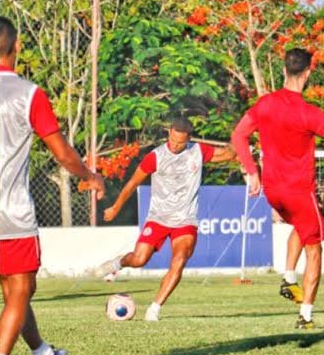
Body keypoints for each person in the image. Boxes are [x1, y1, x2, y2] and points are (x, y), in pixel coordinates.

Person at [0, 16, 105, 355]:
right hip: (11, 214)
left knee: (16, 293)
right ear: (18, 46)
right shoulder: (27, 93)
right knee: (21, 290)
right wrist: (89, 176)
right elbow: (62, 153)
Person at [231, 48, 324, 329]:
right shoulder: (308, 112)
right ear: (308, 73)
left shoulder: (264, 104)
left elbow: (238, 135)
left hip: (273, 191)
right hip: (299, 191)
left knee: (302, 224)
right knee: (315, 251)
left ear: (285, 70)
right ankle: (305, 317)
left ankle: (288, 278)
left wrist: (253, 173)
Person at [101, 119, 236, 321]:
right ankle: (119, 263)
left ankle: (154, 309)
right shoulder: (156, 156)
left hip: (185, 220)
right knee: (139, 259)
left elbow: (229, 154)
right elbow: (132, 183)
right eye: (171, 139)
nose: (174, 145)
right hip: (158, 218)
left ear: (188, 139)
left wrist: (240, 136)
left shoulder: (198, 152)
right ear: (169, 133)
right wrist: (115, 207)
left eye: (180, 143)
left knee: (179, 260)